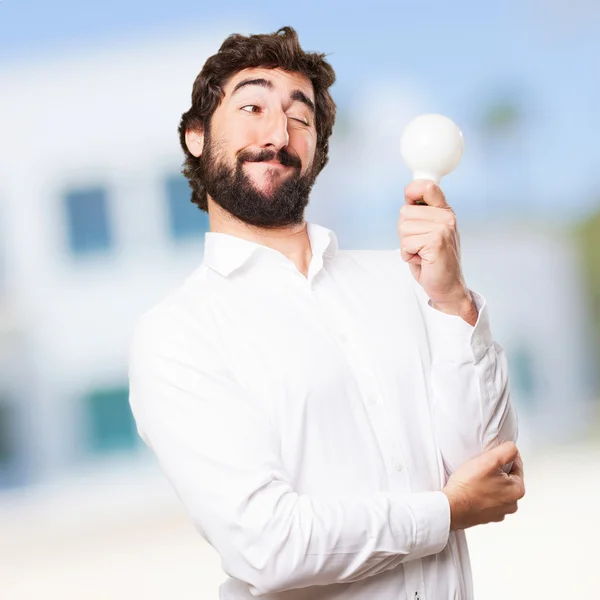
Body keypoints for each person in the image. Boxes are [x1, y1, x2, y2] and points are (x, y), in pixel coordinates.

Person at [128, 26, 524, 600]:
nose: (278, 132)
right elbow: (267, 547)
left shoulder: (405, 278)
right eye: (252, 106)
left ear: (318, 149)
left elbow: (493, 468)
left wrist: (452, 300)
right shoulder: (178, 335)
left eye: (301, 117)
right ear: (195, 136)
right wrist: (446, 510)